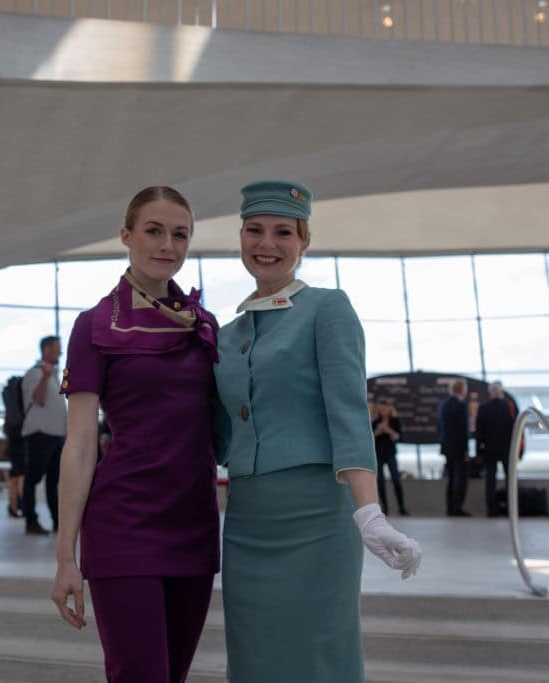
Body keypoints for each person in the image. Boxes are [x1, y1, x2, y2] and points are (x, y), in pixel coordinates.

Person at [213, 180, 421, 683]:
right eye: (254, 230)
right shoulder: (226, 334)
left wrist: (368, 512)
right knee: (253, 654)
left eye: (284, 231)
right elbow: (216, 433)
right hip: (246, 519)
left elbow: (348, 412)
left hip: (318, 516)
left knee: (320, 651)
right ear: (240, 238)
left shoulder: (328, 308)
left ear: (303, 242)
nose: (267, 243)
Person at [51, 186, 221, 683]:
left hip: (194, 525)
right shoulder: (94, 326)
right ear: (126, 236)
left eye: (180, 234)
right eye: (153, 230)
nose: (167, 244)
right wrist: (66, 556)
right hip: (124, 524)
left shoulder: (202, 324)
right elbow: (80, 447)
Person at [20, 335, 67, 535]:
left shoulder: (55, 375)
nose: (61, 352)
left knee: (53, 481)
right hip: (40, 435)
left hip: (55, 436)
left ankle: (57, 520)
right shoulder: (34, 374)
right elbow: (38, 400)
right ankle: (31, 520)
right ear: (46, 350)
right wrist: (46, 377)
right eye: (57, 348)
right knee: (33, 478)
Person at [475, 381, 516, 518]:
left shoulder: (483, 408)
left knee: (490, 481)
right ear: (501, 392)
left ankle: (492, 510)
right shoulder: (508, 407)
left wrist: (479, 451)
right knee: (509, 479)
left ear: (490, 392)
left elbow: (479, 432)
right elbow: (514, 430)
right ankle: (511, 508)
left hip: (490, 449)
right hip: (507, 449)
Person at [438, 378, 471, 516]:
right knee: (461, 478)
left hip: (447, 446)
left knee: (451, 477)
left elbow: (440, 427)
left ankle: (450, 508)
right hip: (458, 447)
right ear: (462, 390)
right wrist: (466, 450)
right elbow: (463, 429)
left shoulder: (444, 405)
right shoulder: (461, 406)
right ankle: (458, 507)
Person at [373, 398, 408, 516]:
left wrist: (388, 430)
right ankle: (385, 509)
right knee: (380, 481)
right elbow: (370, 438)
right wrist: (378, 431)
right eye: (381, 408)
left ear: (389, 408)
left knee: (396, 479)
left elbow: (398, 437)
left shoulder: (395, 421)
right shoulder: (374, 422)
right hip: (378, 455)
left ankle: (402, 507)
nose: (383, 410)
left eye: (385, 408)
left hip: (391, 454)